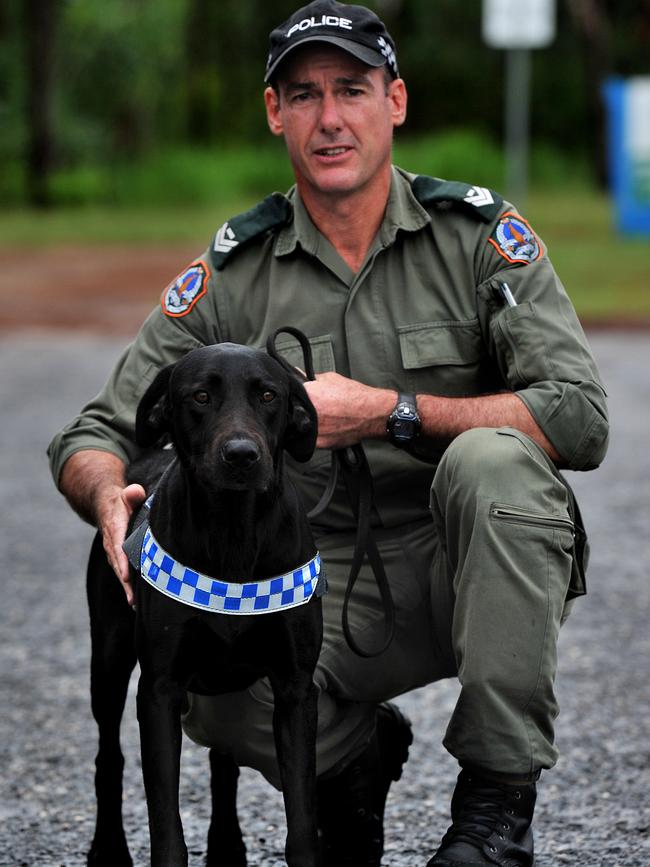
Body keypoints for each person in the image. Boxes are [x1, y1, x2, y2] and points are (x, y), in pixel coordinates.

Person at [48, 2, 609, 865]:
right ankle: (352, 759)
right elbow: (96, 428)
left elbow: (578, 412)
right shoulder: (235, 271)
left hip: (461, 562)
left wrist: (394, 410)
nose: (330, 117)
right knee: (216, 697)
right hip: (305, 575)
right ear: (275, 114)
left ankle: (496, 804)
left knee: (497, 462)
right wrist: (105, 499)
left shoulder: (477, 239)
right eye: (303, 95)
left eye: (353, 88)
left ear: (396, 101)